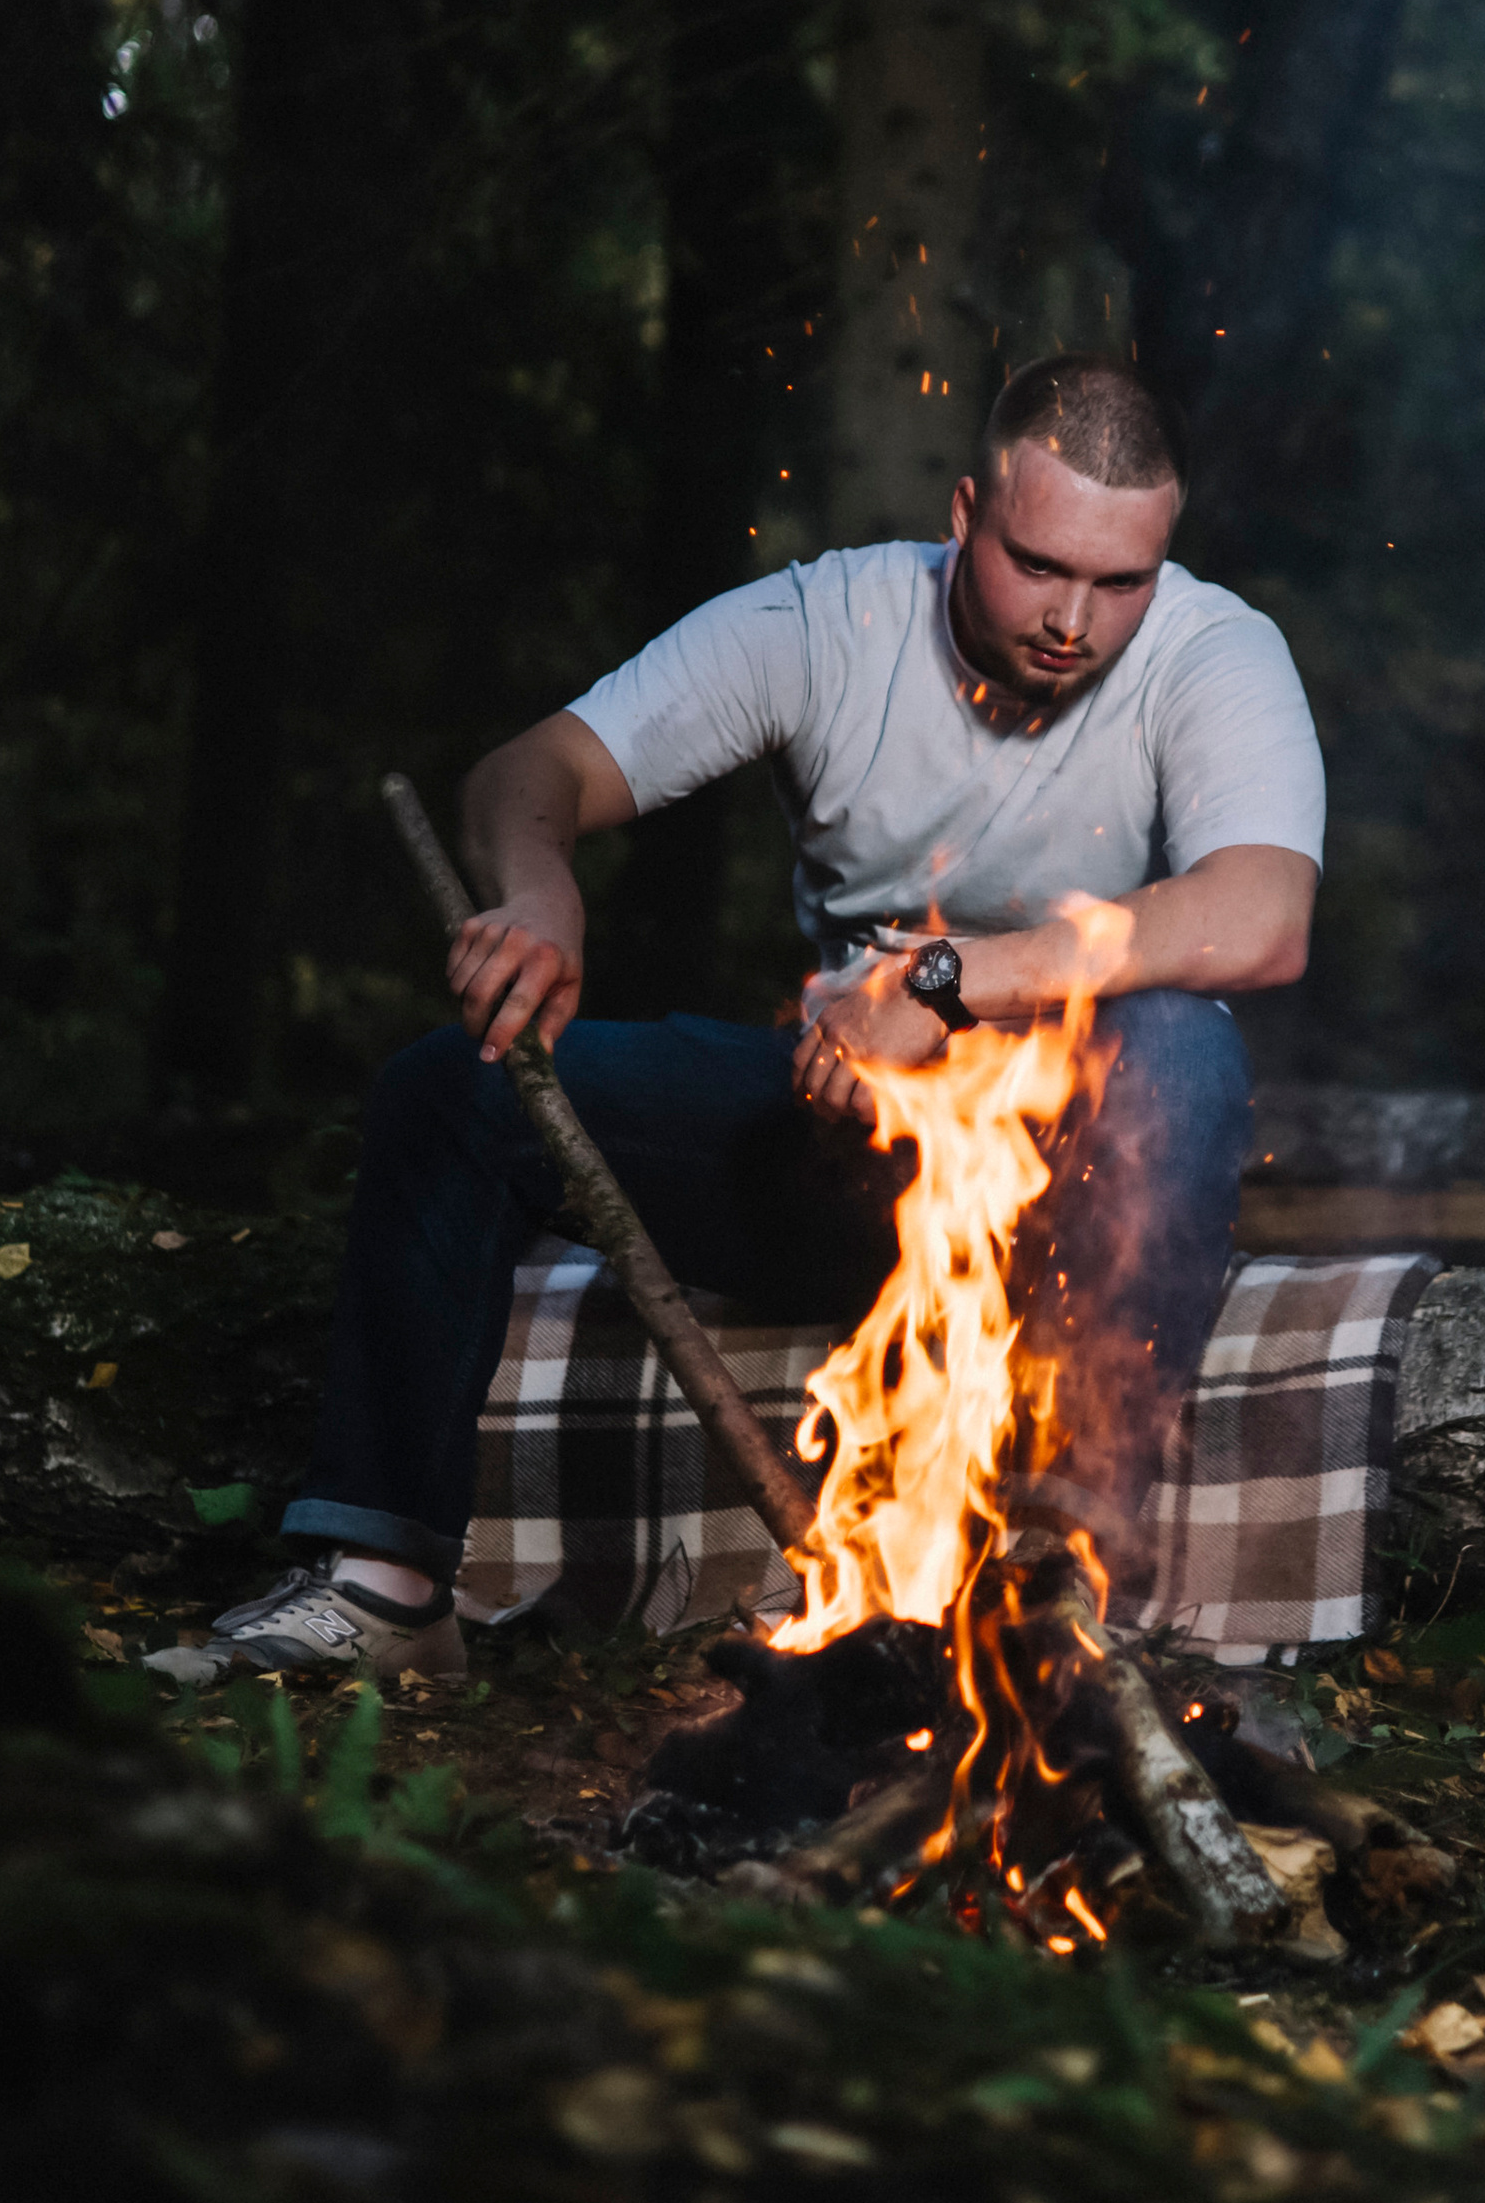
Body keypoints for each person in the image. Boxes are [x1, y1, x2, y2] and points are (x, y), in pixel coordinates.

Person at [206, 358, 1325, 1677]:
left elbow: (1262, 916)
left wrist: (938, 985)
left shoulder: (1214, 652)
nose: (1074, 620)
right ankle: (386, 1591)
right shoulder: (827, 624)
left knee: (1184, 1043)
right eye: (1038, 565)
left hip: (1075, 1200)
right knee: (457, 1084)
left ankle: (1053, 1588)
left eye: (1120, 581)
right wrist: (541, 893)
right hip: (845, 1156)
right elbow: (533, 770)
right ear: (966, 513)